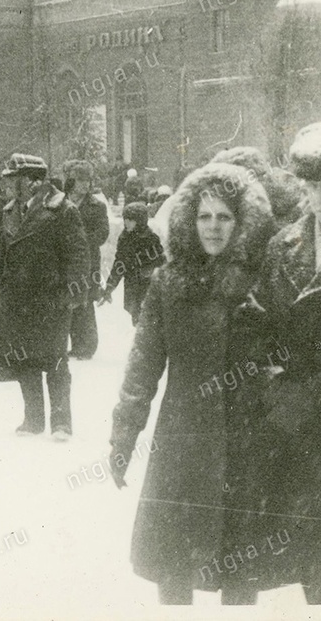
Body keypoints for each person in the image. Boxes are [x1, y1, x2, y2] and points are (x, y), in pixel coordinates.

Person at [109, 162, 277, 605]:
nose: (214, 227)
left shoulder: (262, 284)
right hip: (183, 437)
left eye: (225, 217)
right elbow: (143, 365)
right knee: (173, 560)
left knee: (239, 562)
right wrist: (124, 433)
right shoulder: (167, 283)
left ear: (242, 224)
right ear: (189, 219)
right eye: (205, 216)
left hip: (246, 437)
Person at [246, 123, 321, 603]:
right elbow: (260, 326)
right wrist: (276, 385)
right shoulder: (283, 247)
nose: (317, 197)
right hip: (299, 416)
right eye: (312, 186)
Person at [0, 154, 88, 440]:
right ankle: (33, 419)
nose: (8, 184)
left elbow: (78, 254)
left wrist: (73, 294)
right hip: (18, 299)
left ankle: (61, 423)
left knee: (55, 360)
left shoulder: (62, 209)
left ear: (32, 181)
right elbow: (5, 258)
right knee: (24, 359)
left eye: (14, 179)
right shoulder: (10, 210)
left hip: (51, 297)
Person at [64, 161, 110, 360]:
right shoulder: (62, 203)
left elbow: (102, 232)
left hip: (88, 260)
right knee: (69, 300)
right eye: (81, 180)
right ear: (72, 181)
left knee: (86, 301)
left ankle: (87, 346)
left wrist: (81, 242)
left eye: (88, 181)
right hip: (65, 260)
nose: (85, 185)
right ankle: (74, 345)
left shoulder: (96, 206)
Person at [100, 202, 164, 324]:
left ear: (140, 221)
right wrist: (109, 288)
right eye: (125, 219)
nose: (126, 223)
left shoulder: (151, 239)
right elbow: (119, 264)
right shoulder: (124, 238)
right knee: (137, 321)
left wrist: (149, 271)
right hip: (132, 288)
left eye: (131, 220)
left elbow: (161, 264)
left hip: (148, 288)